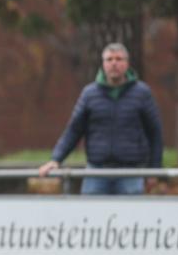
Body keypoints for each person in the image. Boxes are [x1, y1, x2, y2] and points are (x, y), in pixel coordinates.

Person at [38, 43, 163, 195]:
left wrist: (154, 170)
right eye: (109, 59)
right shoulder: (89, 94)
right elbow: (74, 130)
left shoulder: (142, 93)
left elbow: (155, 133)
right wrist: (56, 159)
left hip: (130, 173)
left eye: (119, 59)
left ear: (127, 63)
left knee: (131, 217)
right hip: (96, 172)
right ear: (103, 64)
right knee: (91, 217)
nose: (114, 63)